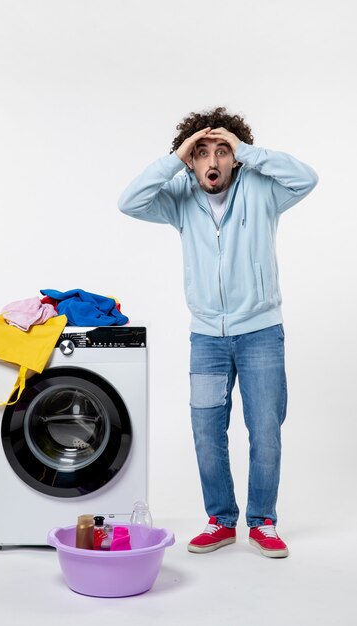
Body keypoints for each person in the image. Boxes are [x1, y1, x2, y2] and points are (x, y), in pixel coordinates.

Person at [118, 107, 318, 558]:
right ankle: (220, 520)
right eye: (202, 151)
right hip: (206, 338)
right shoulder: (180, 198)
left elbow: (306, 178)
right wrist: (175, 158)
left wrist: (247, 149)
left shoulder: (264, 189)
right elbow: (128, 202)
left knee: (265, 429)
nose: (213, 160)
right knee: (207, 430)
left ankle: (263, 521)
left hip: (262, 332)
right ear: (191, 159)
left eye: (222, 150)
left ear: (236, 157)